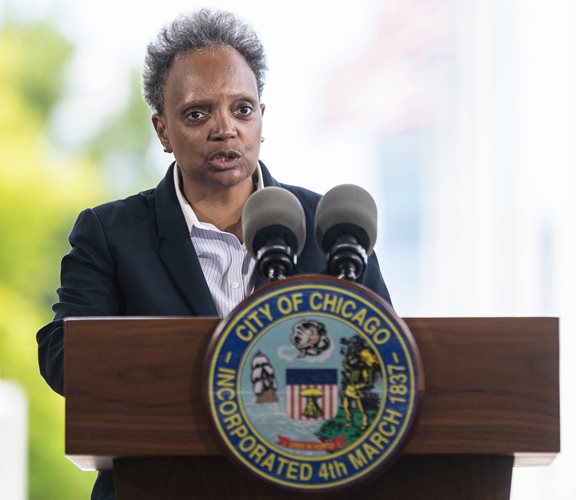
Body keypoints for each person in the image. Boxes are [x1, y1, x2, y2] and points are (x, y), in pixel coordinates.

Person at [36, 9, 390, 500]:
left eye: (242, 109)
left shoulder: (332, 225)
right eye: (198, 113)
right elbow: (64, 357)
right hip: (157, 484)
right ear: (163, 130)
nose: (225, 129)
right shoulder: (111, 234)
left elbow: (388, 360)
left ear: (262, 118)